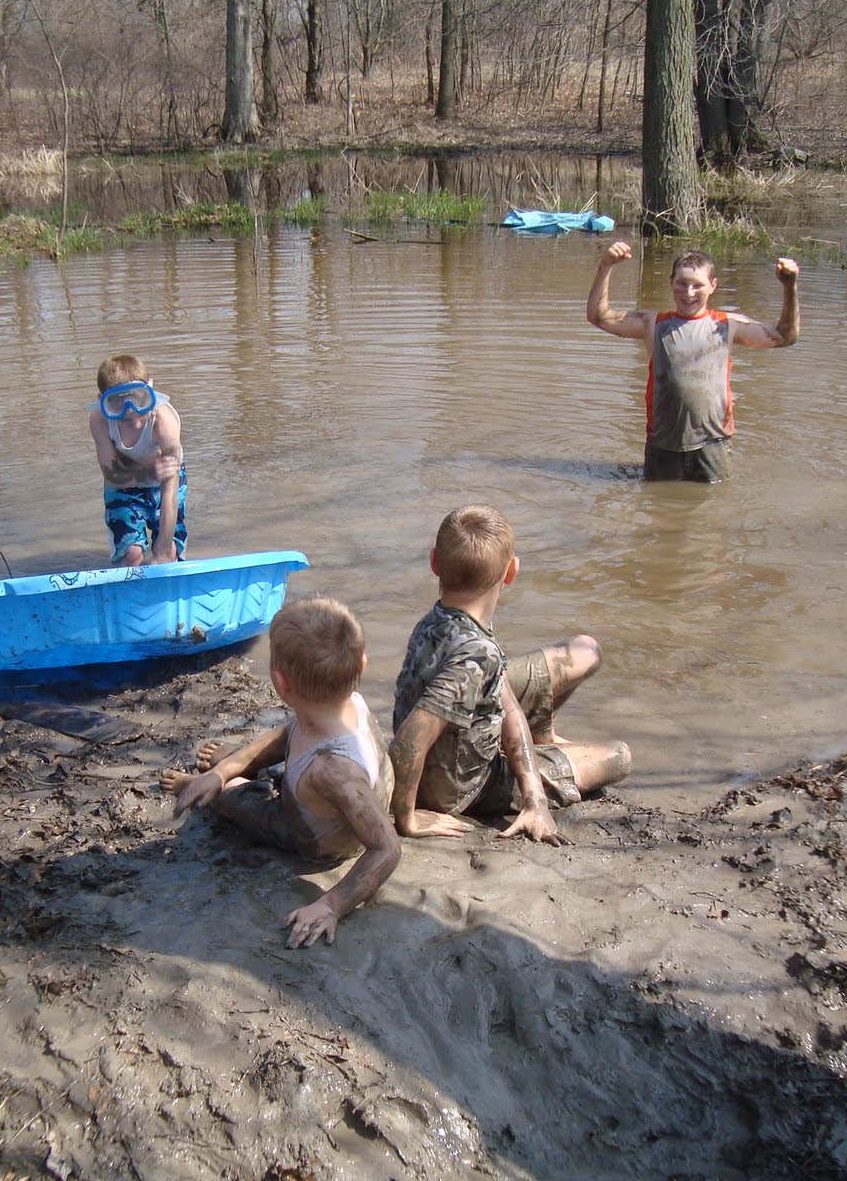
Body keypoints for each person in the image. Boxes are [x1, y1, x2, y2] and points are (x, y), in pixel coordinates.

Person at [160, 596, 401, 949]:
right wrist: (225, 768)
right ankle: (227, 768)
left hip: (311, 837)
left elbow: (387, 849)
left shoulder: (334, 771)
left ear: (280, 683)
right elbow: (289, 732)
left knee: (239, 801)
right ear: (361, 666)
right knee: (252, 760)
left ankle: (214, 786)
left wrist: (331, 905)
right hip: (321, 796)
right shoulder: (345, 703)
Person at [390, 505, 630, 845]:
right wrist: (408, 818)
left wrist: (536, 798)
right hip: (463, 785)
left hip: (466, 726)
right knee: (618, 757)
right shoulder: (477, 656)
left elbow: (507, 705)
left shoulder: (438, 622)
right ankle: (535, 758)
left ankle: (543, 737)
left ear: (434, 563)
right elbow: (411, 738)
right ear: (511, 571)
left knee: (585, 650)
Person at [586, 242, 800, 483]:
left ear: (713, 286)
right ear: (671, 283)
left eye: (697, 285)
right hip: (663, 441)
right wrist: (606, 266)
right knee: (658, 507)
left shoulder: (728, 324)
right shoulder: (652, 323)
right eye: (682, 283)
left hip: (713, 443)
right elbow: (598, 317)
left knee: (713, 508)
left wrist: (789, 286)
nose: (688, 293)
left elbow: (785, 337)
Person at [90, 353, 186, 564]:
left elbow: (170, 487)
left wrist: (161, 549)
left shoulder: (164, 419)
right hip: (124, 483)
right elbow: (112, 475)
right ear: (102, 401)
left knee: (169, 552)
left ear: (150, 387)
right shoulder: (100, 420)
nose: (131, 412)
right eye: (117, 404)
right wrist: (147, 473)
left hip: (165, 483)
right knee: (132, 553)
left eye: (139, 399)